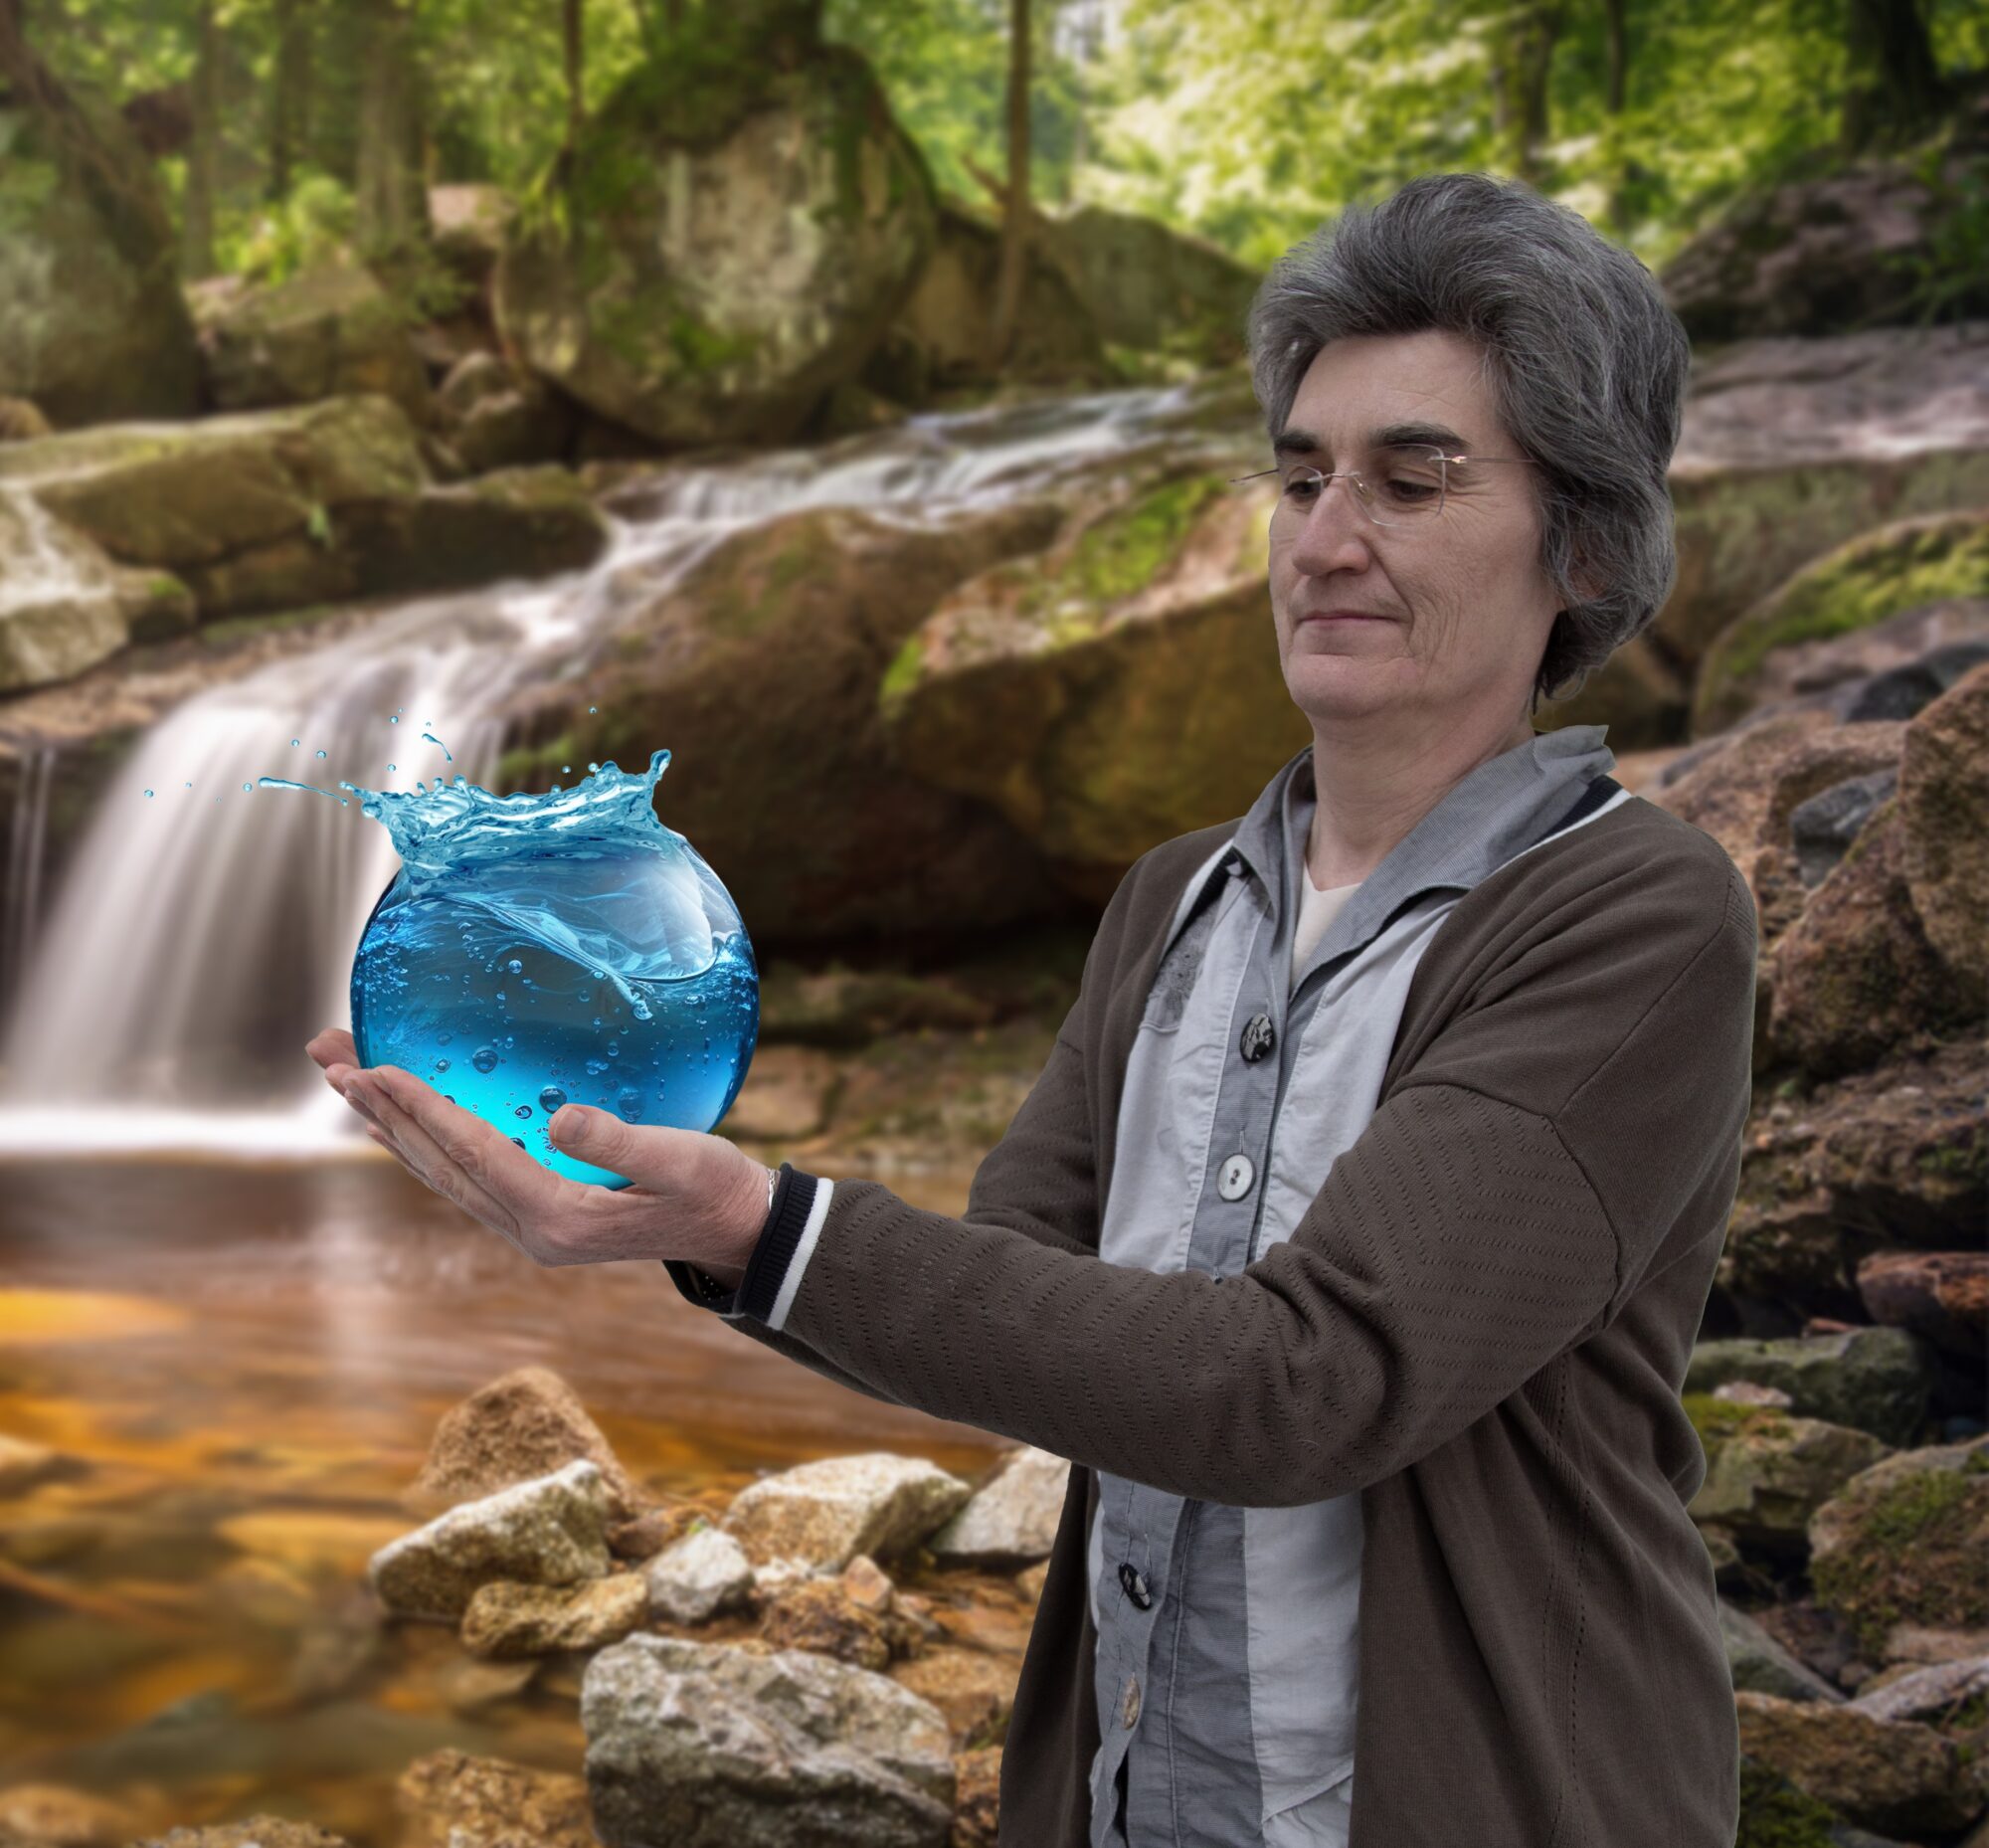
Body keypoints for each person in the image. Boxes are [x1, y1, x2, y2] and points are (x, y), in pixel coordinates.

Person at [315, 170, 1757, 1848]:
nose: (1327, 535)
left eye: (1412, 478)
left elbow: (1314, 1383)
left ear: (1581, 538)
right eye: (1301, 477)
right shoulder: (1172, 903)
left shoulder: (1635, 921)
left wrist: (768, 1224)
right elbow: (1030, 1296)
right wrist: (700, 1228)